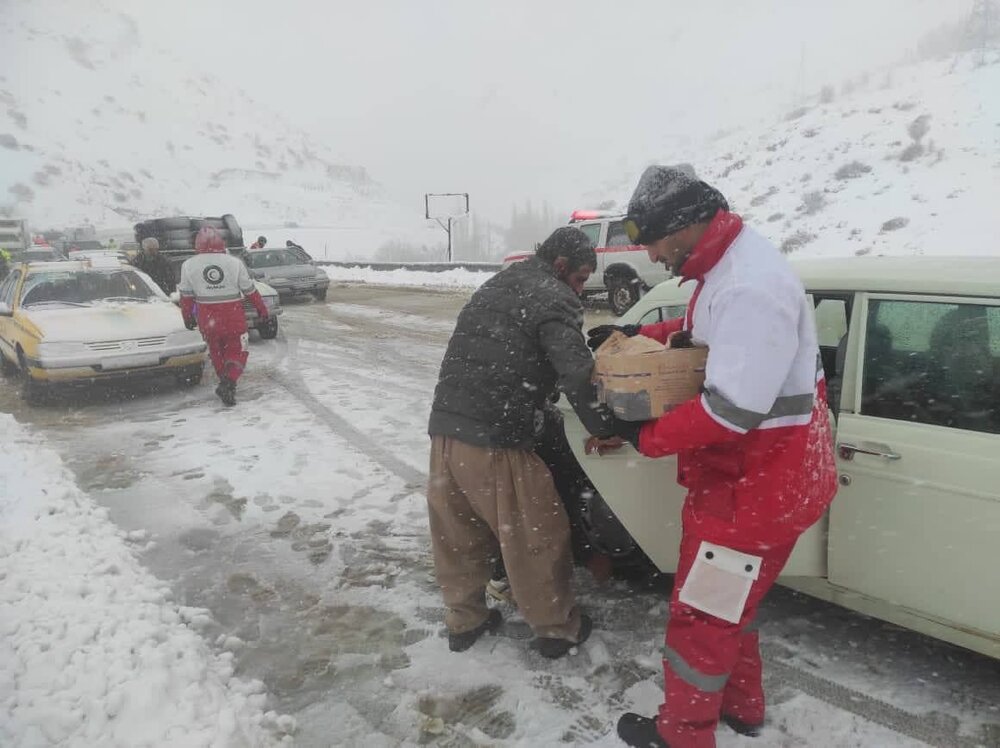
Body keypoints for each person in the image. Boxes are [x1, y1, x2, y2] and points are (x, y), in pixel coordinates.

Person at [592, 165, 838, 748]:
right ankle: (744, 706)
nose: (650, 253)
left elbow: (732, 410)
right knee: (730, 605)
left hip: (750, 490)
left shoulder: (748, 284)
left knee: (701, 617)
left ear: (686, 225)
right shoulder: (730, 268)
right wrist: (640, 335)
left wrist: (644, 437)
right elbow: (707, 332)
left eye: (652, 238)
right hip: (762, 481)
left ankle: (683, 735)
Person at [426, 226, 618, 658]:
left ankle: (464, 621)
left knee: (458, 536)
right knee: (536, 535)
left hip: (445, 432)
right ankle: (556, 630)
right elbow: (576, 372)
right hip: (497, 437)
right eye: (582, 279)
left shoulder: (501, 282)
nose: (582, 290)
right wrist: (604, 428)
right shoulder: (554, 295)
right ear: (562, 266)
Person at [178, 227, 269, 406]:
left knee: (216, 352)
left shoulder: (188, 265)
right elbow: (250, 290)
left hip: (207, 319)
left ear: (197, 244)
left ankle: (225, 382)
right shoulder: (234, 263)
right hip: (233, 317)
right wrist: (262, 309)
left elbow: (186, 297)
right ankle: (229, 382)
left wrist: (187, 316)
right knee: (238, 351)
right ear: (221, 242)